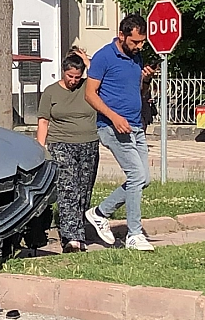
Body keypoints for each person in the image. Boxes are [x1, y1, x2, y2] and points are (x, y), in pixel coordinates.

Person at [83, 14, 157, 251]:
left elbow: (139, 91)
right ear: (122, 35)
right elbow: (90, 94)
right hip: (112, 127)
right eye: (135, 42)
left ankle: (99, 213)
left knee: (143, 179)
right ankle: (134, 234)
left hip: (136, 126)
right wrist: (114, 117)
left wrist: (146, 80)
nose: (139, 46)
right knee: (136, 176)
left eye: (142, 42)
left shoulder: (137, 58)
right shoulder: (104, 57)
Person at [37, 49, 97, 252]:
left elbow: (101, 78)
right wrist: (40, 148)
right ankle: (71, 238)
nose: (73, 80)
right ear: (63, 72)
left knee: (83, 191)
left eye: (77, 77)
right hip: (61, 144)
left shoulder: (88, 87)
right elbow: (43, 121)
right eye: (70, 76)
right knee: (68, 189)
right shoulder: (51, 92)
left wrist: (88, 62)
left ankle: (79, 233)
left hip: (89, 143)